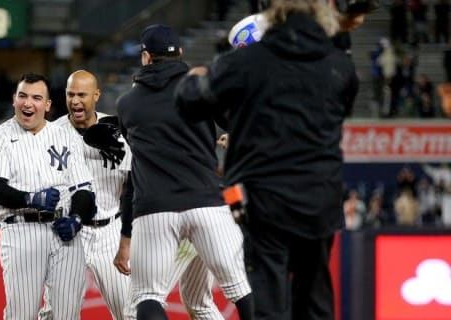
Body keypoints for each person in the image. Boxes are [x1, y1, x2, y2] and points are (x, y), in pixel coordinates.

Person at [175, 0, 359, 319]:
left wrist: (196, 76)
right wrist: (340, 38)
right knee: (315, 301)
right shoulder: (336, 64)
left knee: (269, 299)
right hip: (320, 200)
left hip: (265, 202)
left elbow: (191, 103)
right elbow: (344, 101)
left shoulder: (245, 62)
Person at [115, 24, 254, 320]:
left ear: (145, 57)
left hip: (155, 209)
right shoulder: (200, 89)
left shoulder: (126, 105)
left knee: (148, 298)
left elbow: (136, 162)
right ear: (180, 53)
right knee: (241, 289)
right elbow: (242, 122)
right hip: (206, 203)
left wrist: (125, 236)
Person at [0, 73, 96, 319]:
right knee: (22, 314)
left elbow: (83, 189)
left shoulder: (66, 135)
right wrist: (31, 199)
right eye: (22, 96)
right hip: (21, 232)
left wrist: (76, 219)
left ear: (48, 105)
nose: (28, 103)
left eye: (36, 97)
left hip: (64, 233)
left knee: (67, 314)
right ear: (13, 100)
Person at [34, 70, 135, 319]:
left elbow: (135, 183)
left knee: (130, 312)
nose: (75, 100)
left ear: (96, 95)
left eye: (82, 94)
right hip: (68, 234)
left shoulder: (117, 131)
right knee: (57, 314)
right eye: (70, 94)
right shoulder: (51, 134)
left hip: (110, 231)